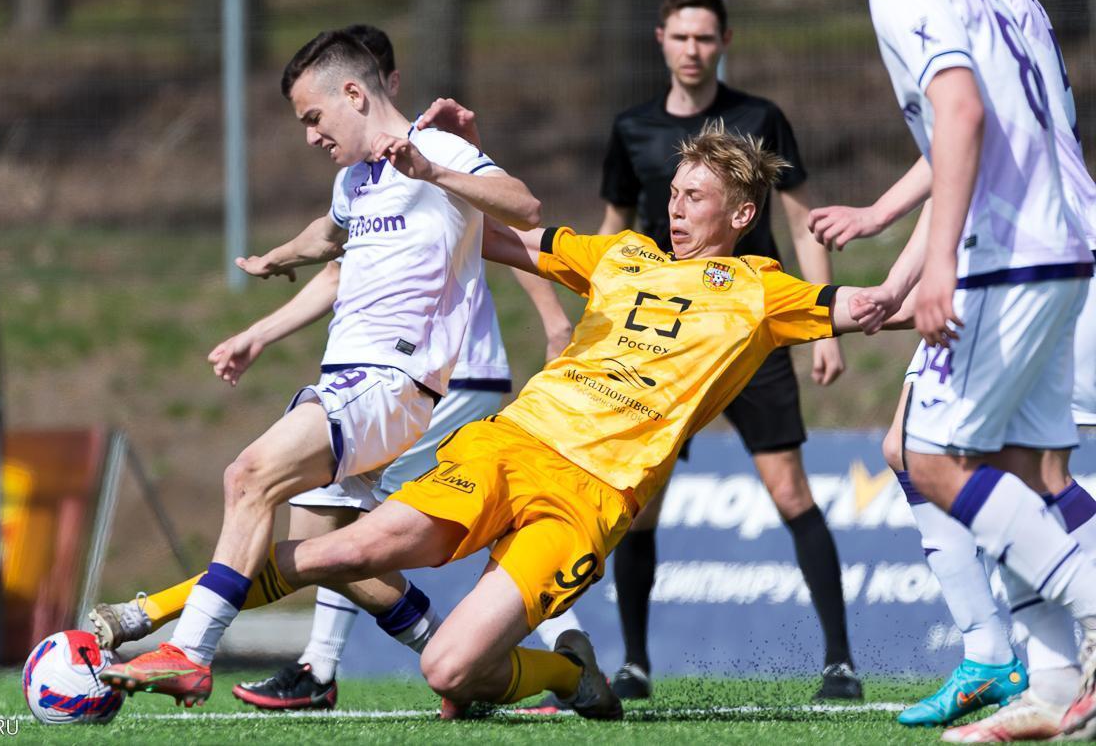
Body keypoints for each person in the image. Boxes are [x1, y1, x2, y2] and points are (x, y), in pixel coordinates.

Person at [101, 122, 908, 718]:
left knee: (450, 672)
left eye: (694, 197)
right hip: (512, 445)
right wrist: (442, 166)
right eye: (672, 192)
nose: (675, 207)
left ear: (740, 213)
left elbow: (872, 306)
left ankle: (568, 673)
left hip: (590, 498)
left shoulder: (763, 291)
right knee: (344, 549)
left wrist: (934, 288)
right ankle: (149, 618)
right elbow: (489, 233)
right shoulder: (622, 255)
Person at [88, 24, 575, 712]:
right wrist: (276, 260)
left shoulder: (437, 149)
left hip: (388, 381)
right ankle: (491, 670)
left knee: (248, 476)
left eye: (313, 117)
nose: (311, 135)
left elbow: (524, 206)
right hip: (355, 381)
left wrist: (433, 171)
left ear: (354, 93)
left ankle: (188, 653)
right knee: (328, 555)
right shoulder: (354, 180)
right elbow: (329, 235)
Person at [809, 0, 1096, 736]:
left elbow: (964, 116)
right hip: (1055, 244)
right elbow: (979, 125)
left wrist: (937, 266)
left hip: (1009, 253)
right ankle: (1054, 686)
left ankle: (1075, 611)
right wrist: (890, 231)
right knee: (1022, 469)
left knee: (928, 458)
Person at [597, 0, 858, 700]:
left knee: (789, 489)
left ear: (724, 42)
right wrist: (591, 328)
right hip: (665, 342)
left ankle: (840, 663)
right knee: (642, 501)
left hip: (750, 332)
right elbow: (612, 232)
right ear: (661, 40)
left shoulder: (759, 118)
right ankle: (634, 664)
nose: (693, 49)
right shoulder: (632, 128)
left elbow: (802, 221)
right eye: (681, 36)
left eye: (705, 37)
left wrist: (825, 329)